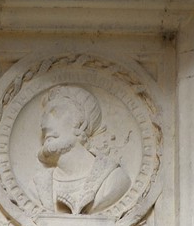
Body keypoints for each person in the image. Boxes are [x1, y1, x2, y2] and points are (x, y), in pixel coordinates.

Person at [37, 84, 130, 218]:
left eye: (55, 112)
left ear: (81, 124)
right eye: (44, 116)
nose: (44, 124)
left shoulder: (113, 180)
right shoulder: (37, 185)